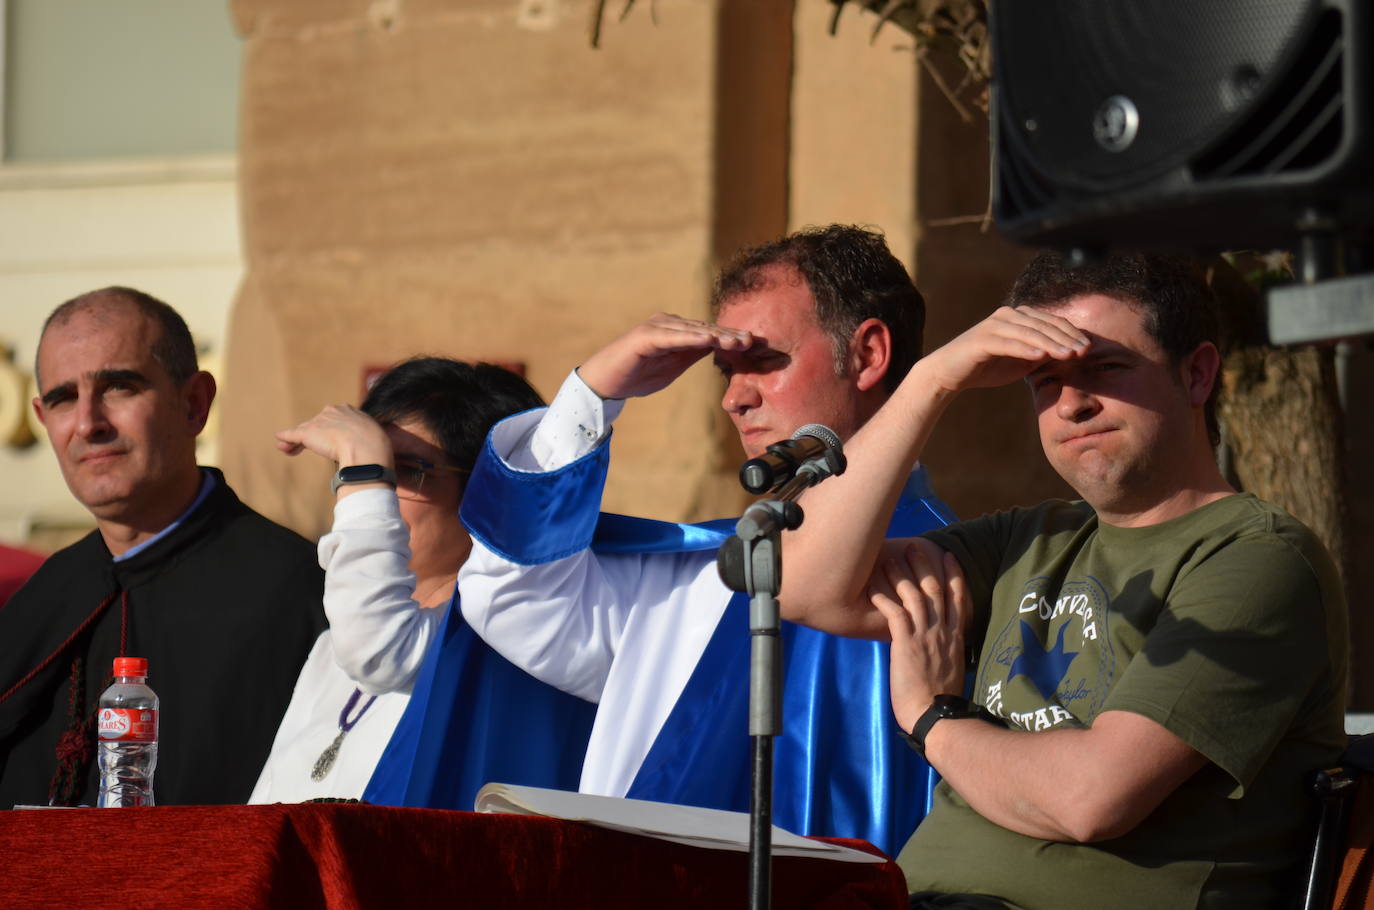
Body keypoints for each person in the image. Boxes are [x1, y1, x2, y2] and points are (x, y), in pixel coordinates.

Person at [772, 251, 1349, 909]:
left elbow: (1089, 800)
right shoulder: (1025, 539)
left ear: (1196, 374)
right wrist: (932, 382)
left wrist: (932, 719)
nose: (1071, 404)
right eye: (1044, 381)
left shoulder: (1255, 558)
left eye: (1105, 369)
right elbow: (798, 585)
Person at [456, 224, 954, 854]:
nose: (733, 399)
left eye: (765, 362)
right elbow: (506, 593)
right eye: (726, 371)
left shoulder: (967, 566)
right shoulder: (698, 576)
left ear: (867, 355)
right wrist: (595, 392)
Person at [0, 287, 326, 807]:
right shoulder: (42, 598)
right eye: (63, 398)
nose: (88, 423)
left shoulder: (296, 590)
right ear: (42, 418)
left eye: (119, 387)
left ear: (194, 404)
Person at [253, 358, 595, 806]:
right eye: (366, 472)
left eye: (402, 470)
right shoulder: (331, 648)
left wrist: (363, 470)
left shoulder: (506, 641)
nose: (369, 499)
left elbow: (381, 651)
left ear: (485, 494)